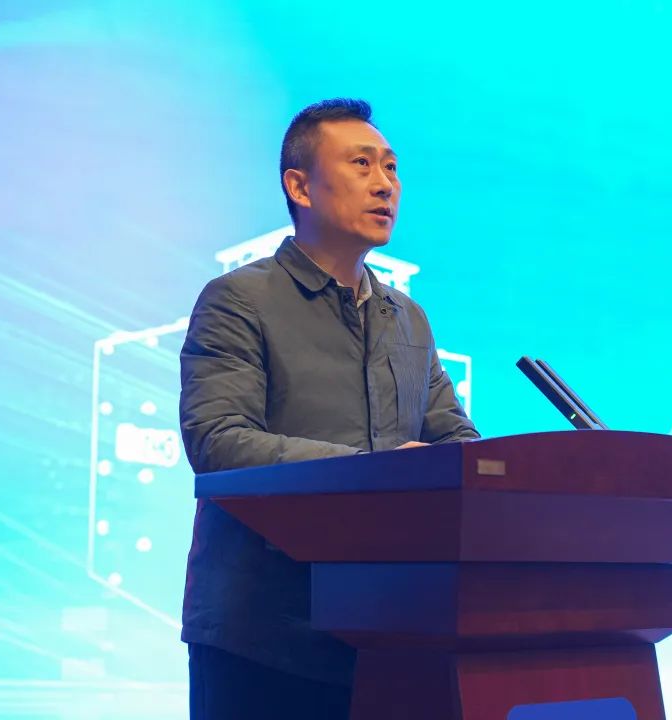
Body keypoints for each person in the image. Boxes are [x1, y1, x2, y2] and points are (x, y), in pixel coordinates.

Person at [178, 98, 480, 719]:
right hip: (265, 638)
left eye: (391, 167)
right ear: (300, 187)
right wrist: (379, 470)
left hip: (392, 633)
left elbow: (455, 442)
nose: (385, 184)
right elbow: (219, 441)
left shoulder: (407, 318)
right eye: (362, 164)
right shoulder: (239, 300)